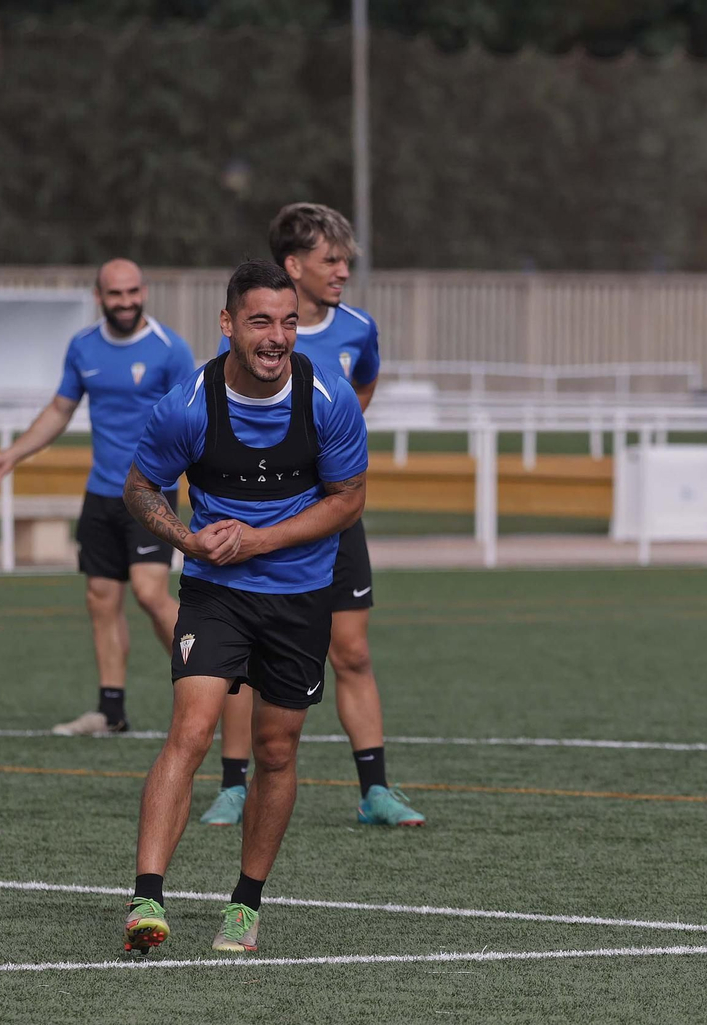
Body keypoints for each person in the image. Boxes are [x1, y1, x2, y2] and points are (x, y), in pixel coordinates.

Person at [121, 260, 369, 955]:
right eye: (261, 321)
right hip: (217, 592)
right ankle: (147, 897)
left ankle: (245, 904)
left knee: (276, 748)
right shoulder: (188, 404)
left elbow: (348, 501)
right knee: (192, 729)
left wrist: (260, 539)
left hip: (300, 594)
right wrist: (186, 538)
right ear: (228, 324)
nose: (277, 337)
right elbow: (140, 488)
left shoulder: (327, 398)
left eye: (289, 322)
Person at [200, 203, 424, 829]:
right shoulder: (254, 337)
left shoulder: (359, 328)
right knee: (243, 661)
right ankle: (233, 786)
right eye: (332, 259)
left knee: (351, 652)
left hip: (334, 518)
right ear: (293, 265)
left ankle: (375, 790)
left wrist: (333, 444)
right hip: (257, 519)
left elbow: (362, 388)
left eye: (346, 260)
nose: (343, 270)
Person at [0, 259, 195, 735]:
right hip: (100, 494)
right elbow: (60, 409)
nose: (126, 302)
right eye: (115, 294)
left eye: (133, 292)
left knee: (150, 593)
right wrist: (11, 456)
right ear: (99, 297)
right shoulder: (83, 346)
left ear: (144, 291)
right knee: (100, 598)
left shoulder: (170, 349)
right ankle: (110, 712)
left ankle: (210, 683)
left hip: (151, 493)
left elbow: (193, 421)